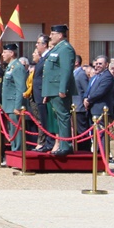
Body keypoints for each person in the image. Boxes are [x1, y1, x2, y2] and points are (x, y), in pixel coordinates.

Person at [43, 24, 77, 157]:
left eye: (53, 34)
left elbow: (66, 71)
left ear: (60, 35)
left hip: (59, 89)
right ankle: (62, 144)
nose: (50, 36)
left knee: (63, 116)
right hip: (52, 89)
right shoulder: (57, 48)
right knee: (58, 118)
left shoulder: (65, 49)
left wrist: (63, 89)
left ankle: (66, 145)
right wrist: (46, 93)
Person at [1, 44, 28, 151]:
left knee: (16, 130)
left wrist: (17, 106)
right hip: (8, 104)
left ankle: (17, 151)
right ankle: (14, 150)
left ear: (11, 53)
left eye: (4, 52)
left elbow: (20, 88)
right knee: (12, 131)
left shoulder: (17, 67)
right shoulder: (10, 67)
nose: (2, 54)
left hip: (14, 105)